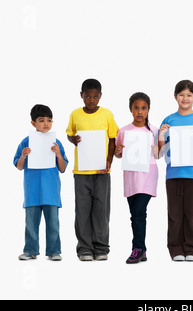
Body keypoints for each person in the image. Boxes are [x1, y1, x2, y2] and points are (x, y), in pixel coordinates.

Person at [66, 79, 119, 261]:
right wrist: (72, 140)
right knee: (82, 210)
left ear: (100, 96)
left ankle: (101, 247)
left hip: (101, 172)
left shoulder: (107, 114)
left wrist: (109, 162)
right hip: (81, 172)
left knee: (101, 210)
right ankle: (84, 249)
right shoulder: (75, 115)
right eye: (87, 96)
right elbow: (70, 134)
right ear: (81, 95)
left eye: (95, 96)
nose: (91, 100)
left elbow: (113, 139)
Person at [158, 80, 193, 262]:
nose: (185, 98)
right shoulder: (168, 120)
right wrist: (161, 136)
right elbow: (160, 154)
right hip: (173, 174)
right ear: (175, 97)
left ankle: (192, 249)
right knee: (174, 213)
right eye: (181, 95)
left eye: (189, 95)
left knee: (192, 213)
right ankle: (175, 249)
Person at [14, 104, 68, 261]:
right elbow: (19, 166)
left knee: (53, 224)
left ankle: (54, 251)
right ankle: (30, 250)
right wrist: (23, 156)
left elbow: (63, 168)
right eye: (42, 120)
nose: (46, 124)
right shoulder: (26, 142)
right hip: (32, 191)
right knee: (31, 224)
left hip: (51, 191)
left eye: (49, 120)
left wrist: (58, 154)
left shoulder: (56, 142)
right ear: (33, 123)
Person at [115, 92, 159, 264]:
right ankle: (142, 251)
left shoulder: (153, 130)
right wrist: (118, 152)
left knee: (139, 212)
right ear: (130, 109)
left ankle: (137, 248)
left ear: (148, 109)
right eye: (136, 108)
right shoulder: (124, 131)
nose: (140, 112)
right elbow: (119, 154)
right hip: (131, 178)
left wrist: (157, 145)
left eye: (143, 108)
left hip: (147, 177)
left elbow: (159, 154)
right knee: (134, 214)